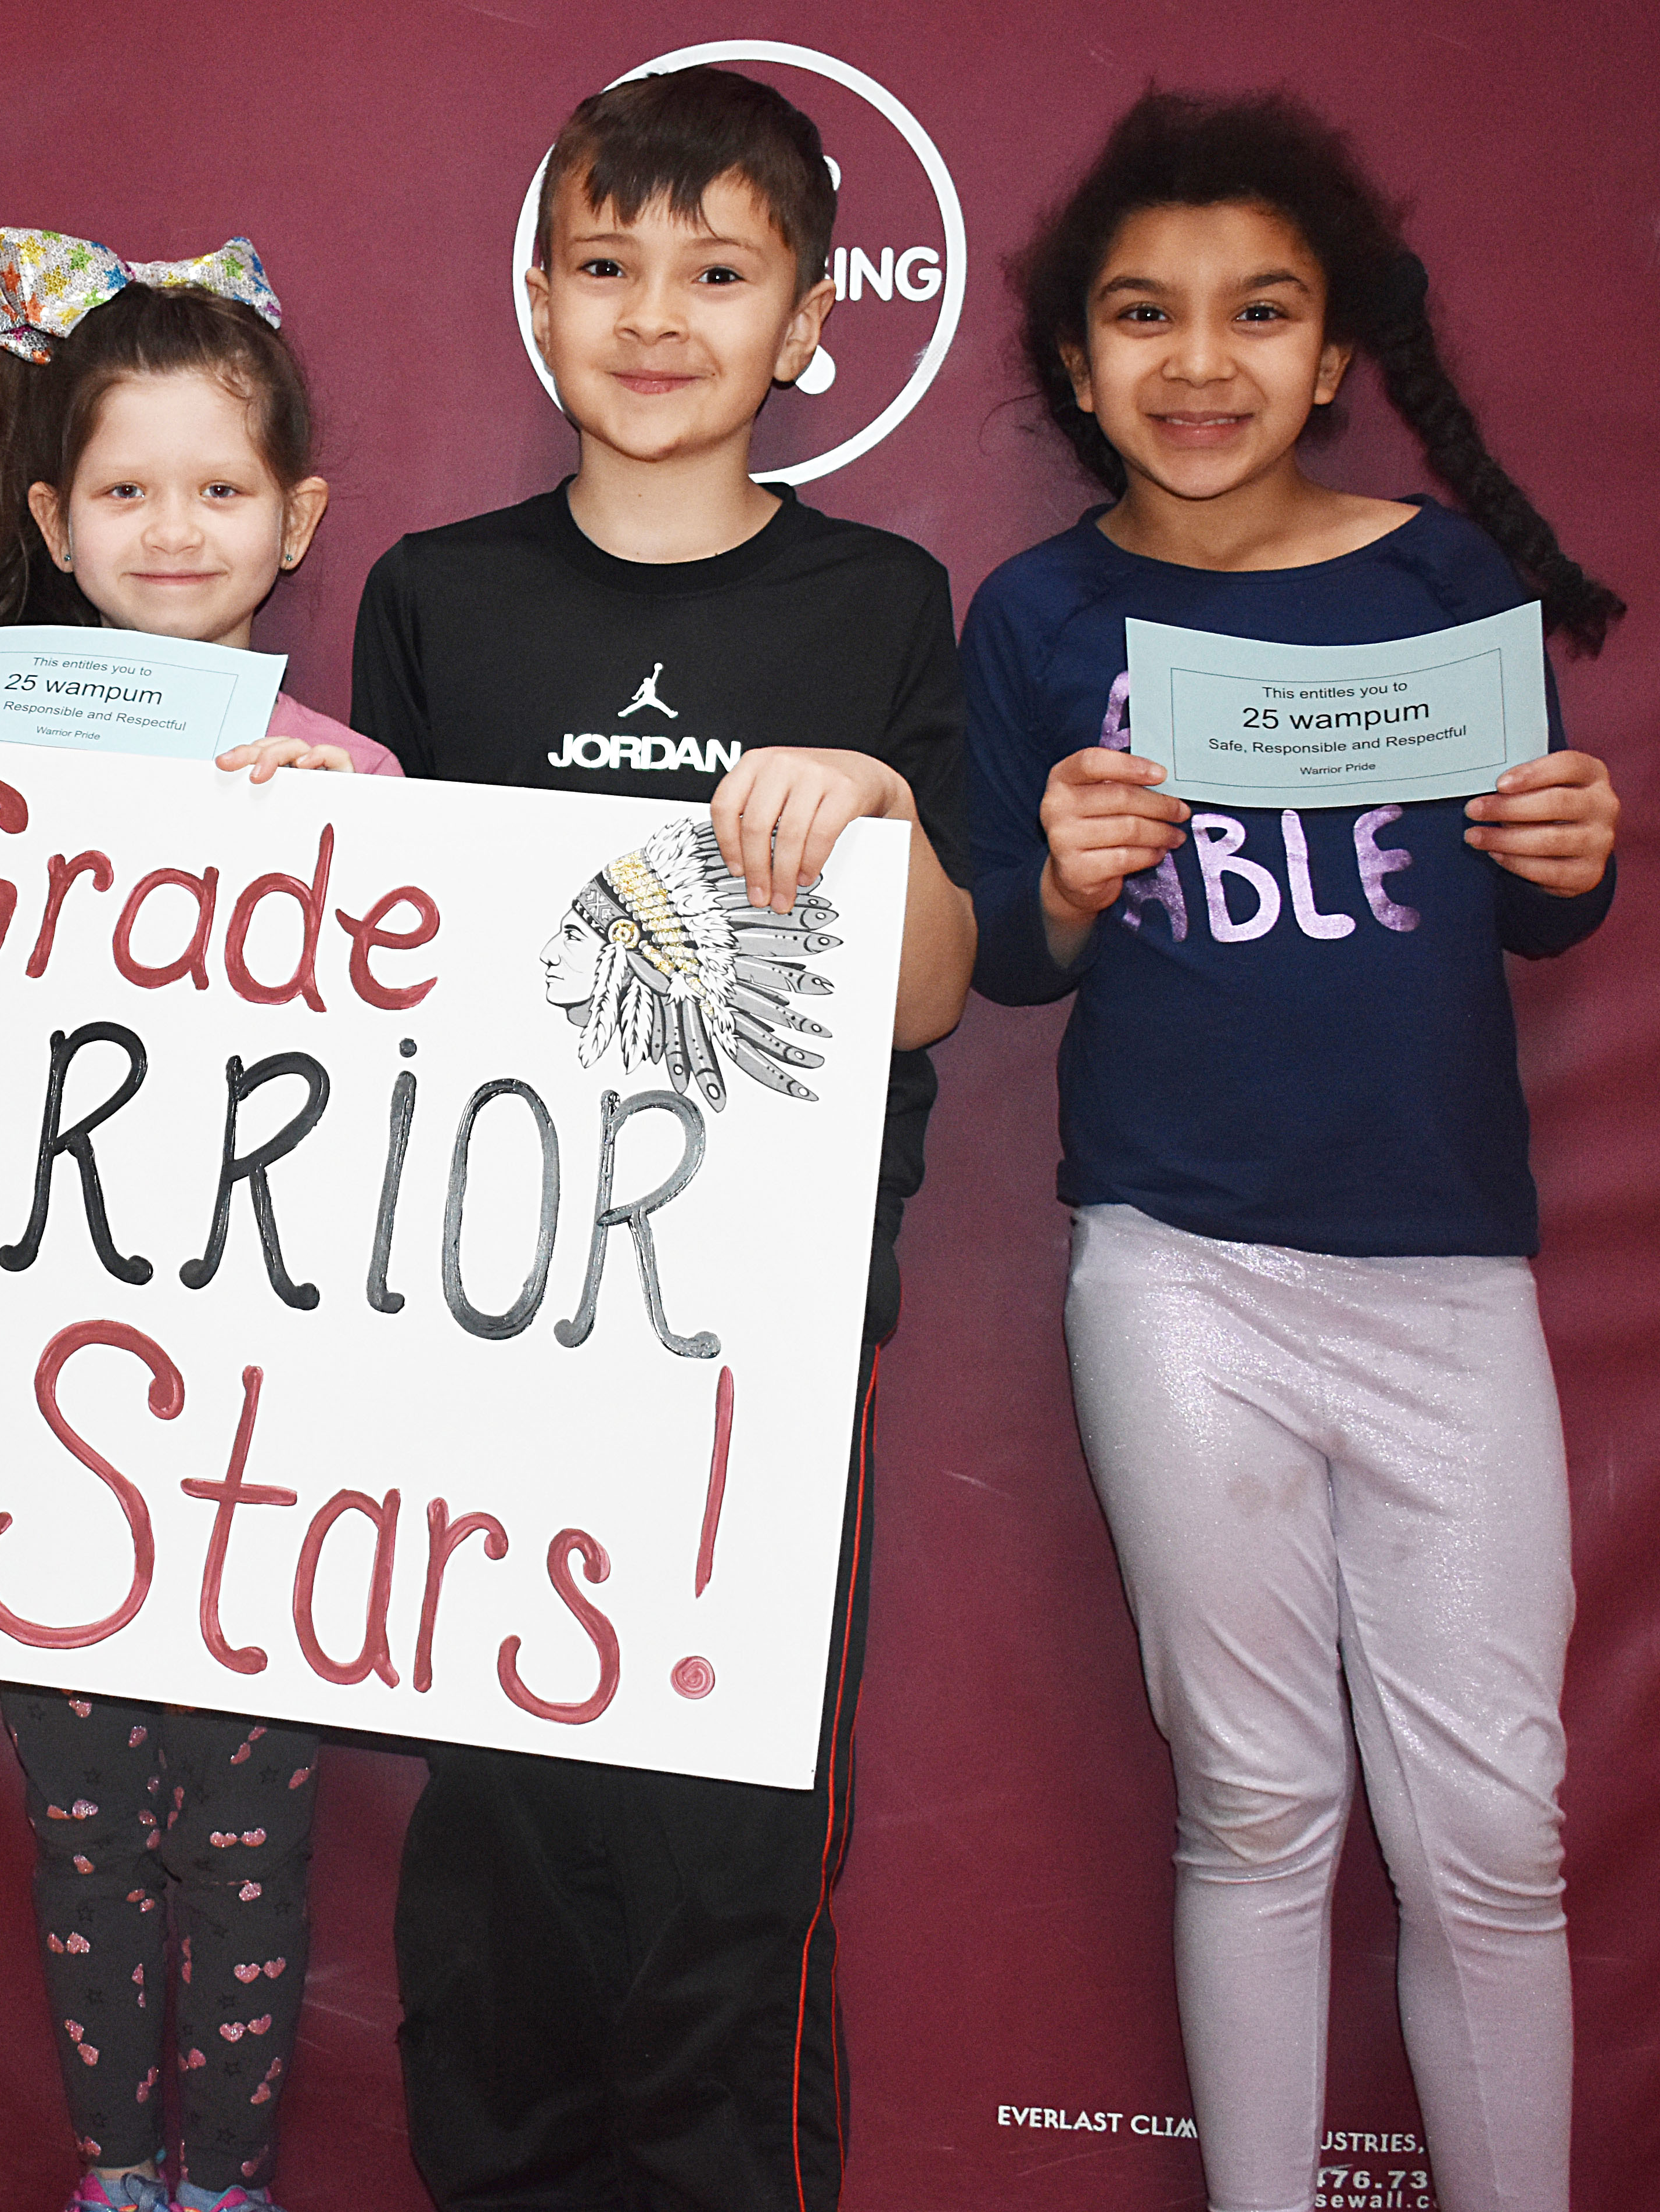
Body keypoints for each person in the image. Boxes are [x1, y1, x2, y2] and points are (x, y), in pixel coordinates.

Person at [966, 90, 1622, 2212]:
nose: (1199, 363)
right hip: (1176, 1270)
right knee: (1253, 1802)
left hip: (1441, 1275)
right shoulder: (1039, 616)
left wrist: (1570, 853)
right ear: (1078, 366)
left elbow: (1524, 903)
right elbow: (1012, 960)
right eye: (1143, 318)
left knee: (1493, 1839)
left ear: (1333, 354)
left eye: (1258, 315)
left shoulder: (1447, 580)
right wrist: (1058, 878)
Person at [348, 67, 976, 2210]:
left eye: (717, 273)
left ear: (809, 320)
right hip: (490, 1336)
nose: (652, 314)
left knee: (727, 1887)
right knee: (499, 1884)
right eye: (604, 266)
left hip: (763, 1362)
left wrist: (881, 827)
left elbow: (935, 989)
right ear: (535, 299)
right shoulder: (434, 594)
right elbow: (359, 964)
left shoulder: (883, 603)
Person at [0, 228, 386, 2212]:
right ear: (49, 516)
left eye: (219, 489)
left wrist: (347, 856)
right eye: (125, 490)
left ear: (294, 518)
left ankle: (220, 2178)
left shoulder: (352, 782)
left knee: (247, 1833)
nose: (172, 530)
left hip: (259, 1428)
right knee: (78, 1829)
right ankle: (114, 2171)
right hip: (29, 1408)